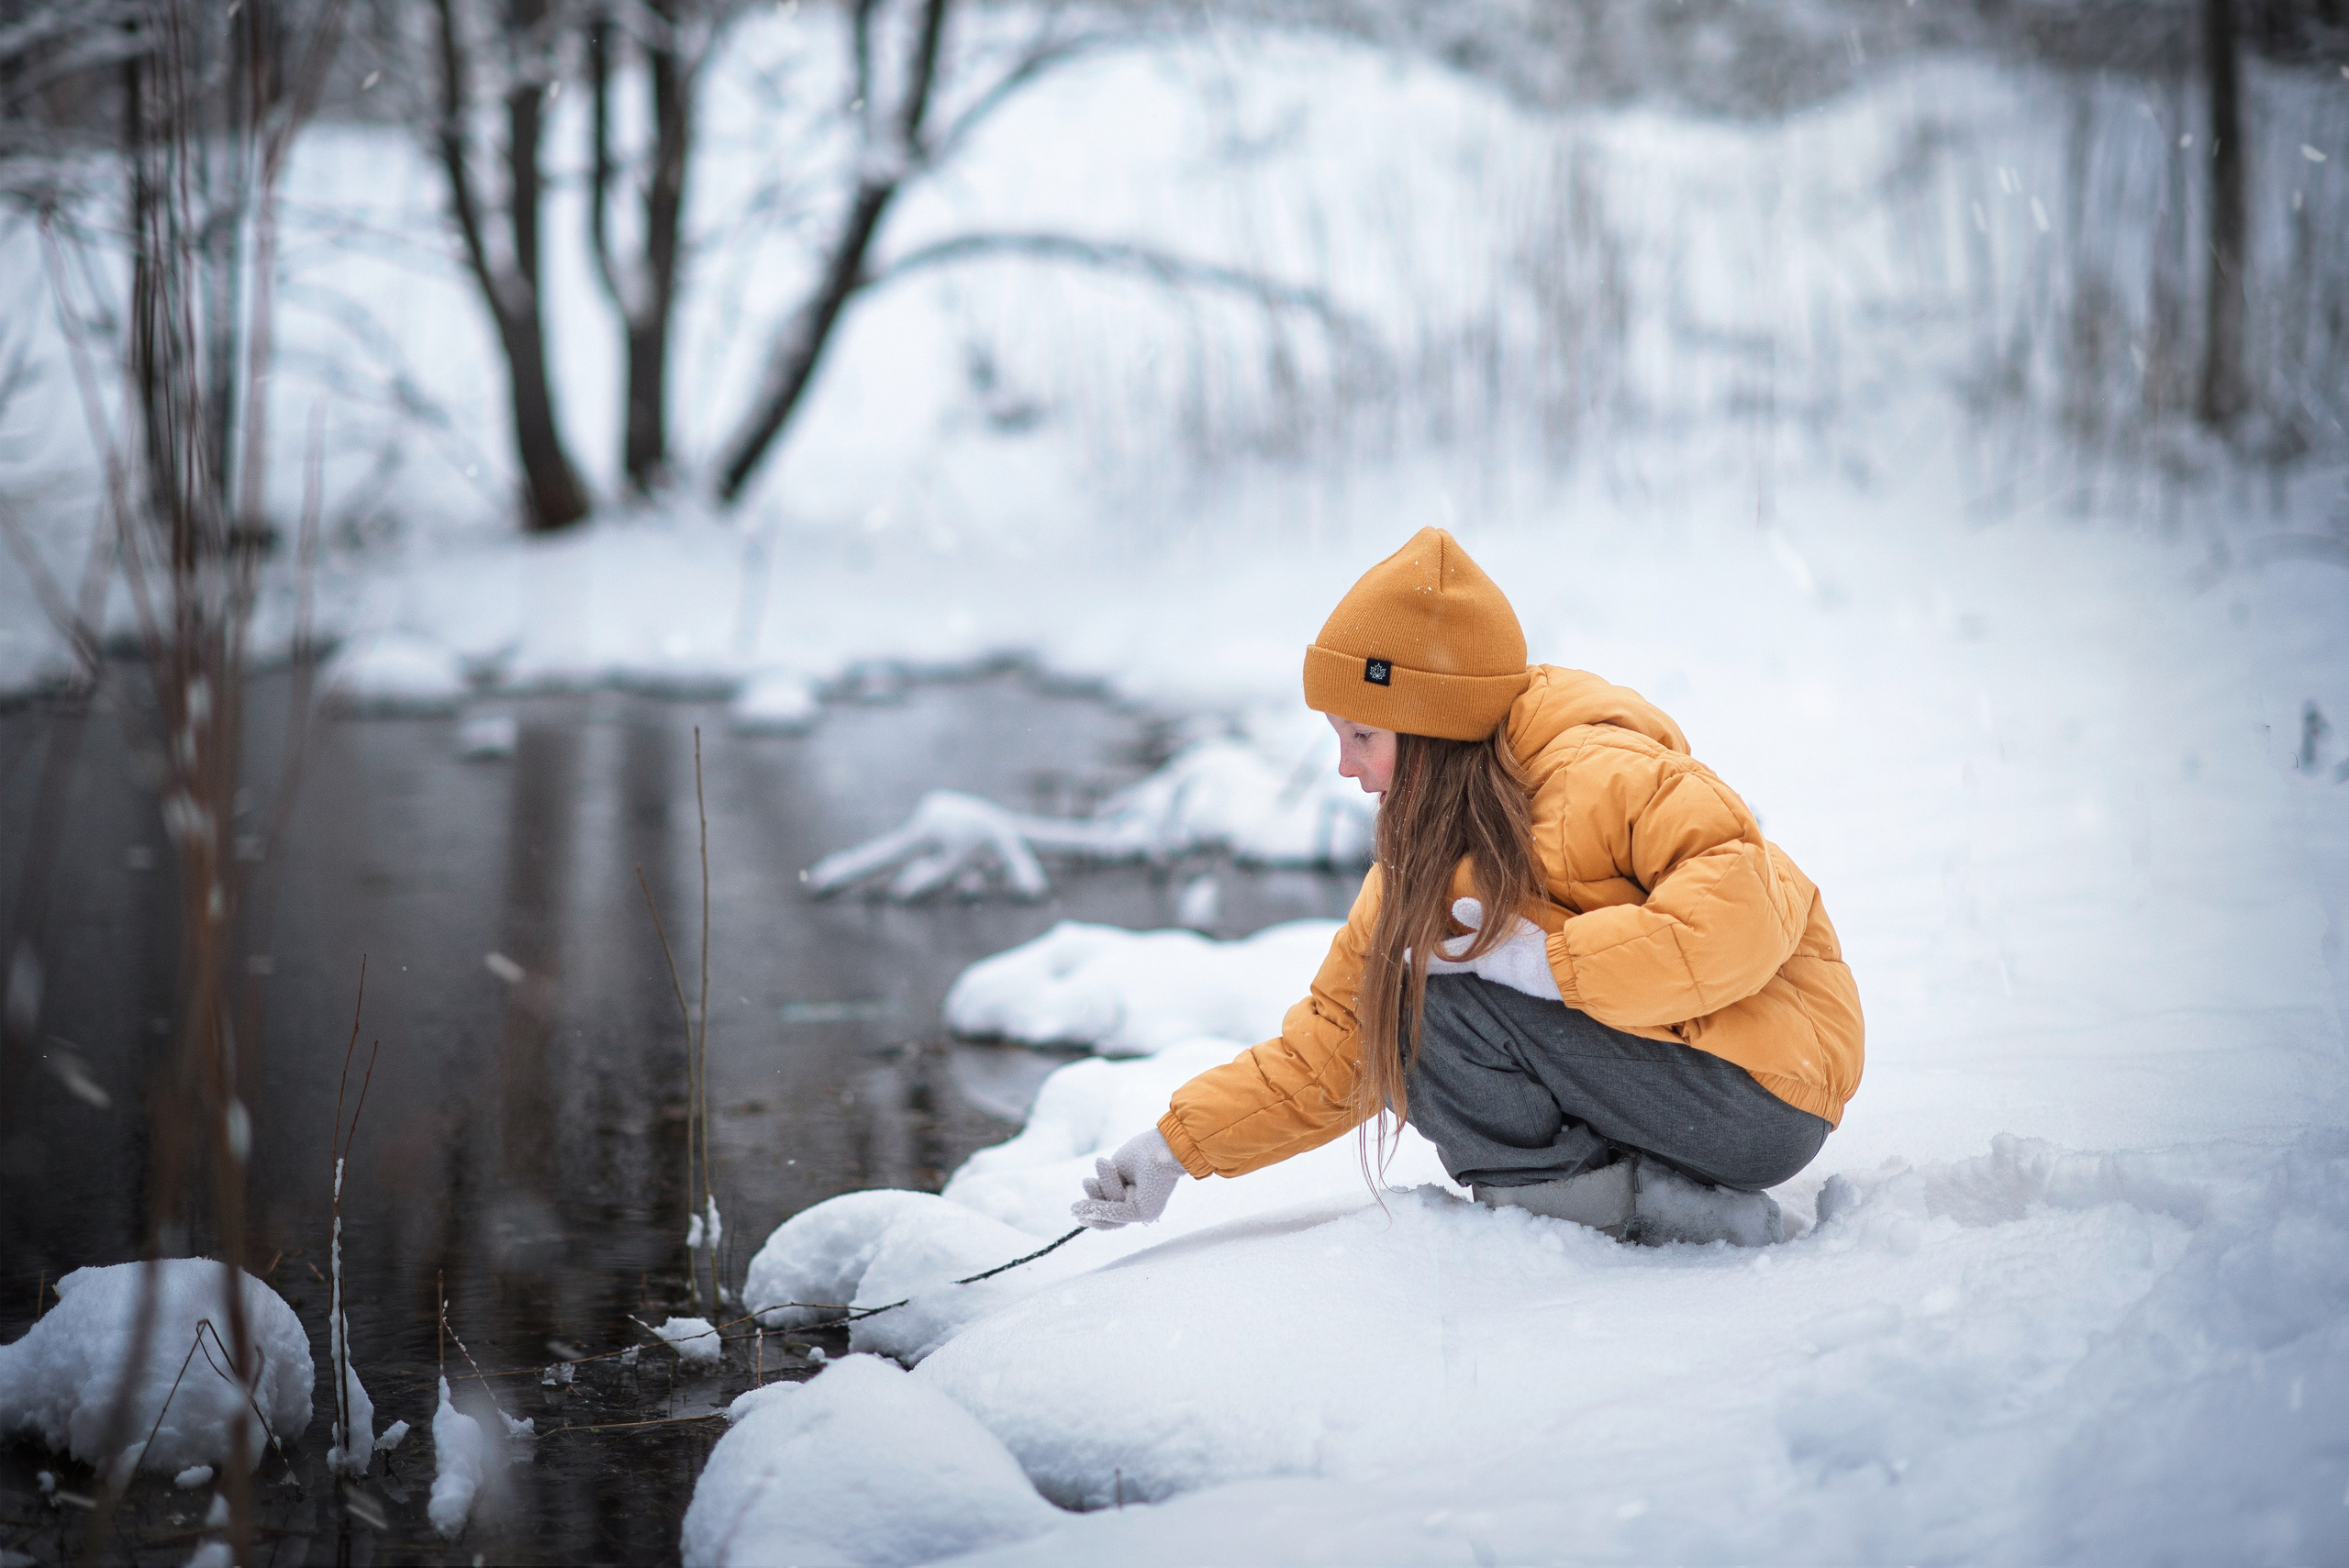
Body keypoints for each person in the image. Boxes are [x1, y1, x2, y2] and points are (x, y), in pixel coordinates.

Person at [1070, 528, 1863, 1245]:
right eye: (1339, 737)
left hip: (1766, 1093)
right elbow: (1338, 1045)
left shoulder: (1601, 775)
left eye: (1363, 736)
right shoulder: (1424, 858)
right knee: (1400, 1006)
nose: (1346, 766)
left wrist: (1550, 966)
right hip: (1670, 1087)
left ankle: (1592, 1228)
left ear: (1435, 726)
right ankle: (1624, 1196)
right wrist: (1176, 1148)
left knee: (1432, 1004)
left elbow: (1743, 913)